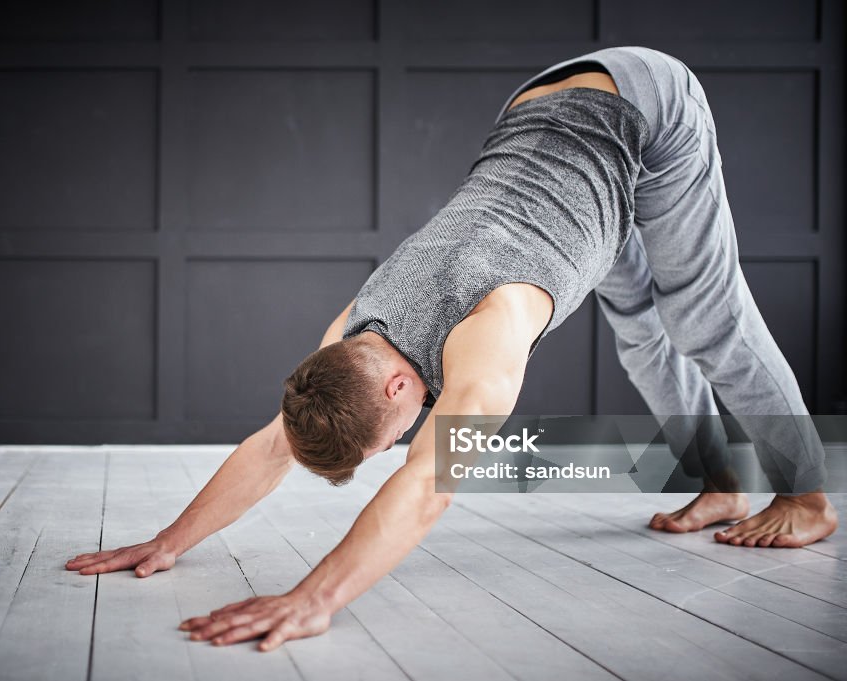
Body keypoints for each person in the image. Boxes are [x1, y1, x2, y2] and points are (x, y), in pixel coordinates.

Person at [65, 46, 838, 651]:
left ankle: (807, 496)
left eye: (381, 445)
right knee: (639, 327)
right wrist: (169, 541)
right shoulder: (349, 339)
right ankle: (726, 477)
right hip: (537, 112)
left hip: (644, 110)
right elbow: (273, 445)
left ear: (400, 393)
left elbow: (430, 484)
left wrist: (315, 597)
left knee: (701, 317)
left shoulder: (488, 332)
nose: (390, 451)